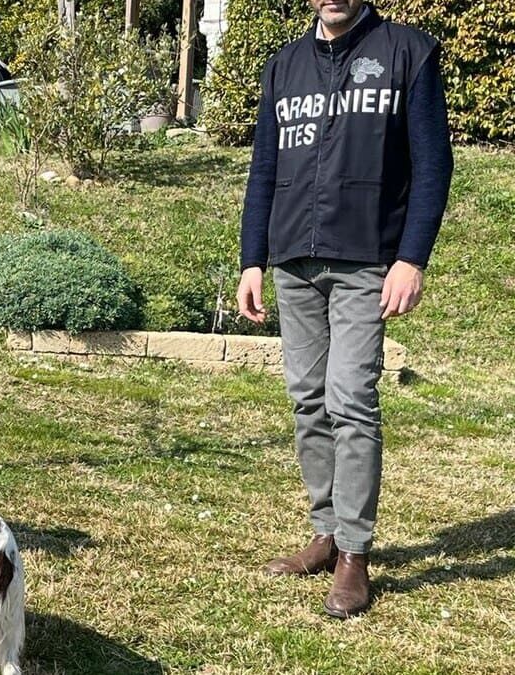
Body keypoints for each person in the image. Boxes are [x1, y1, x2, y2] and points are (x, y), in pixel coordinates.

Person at [236, 1, 452, 618]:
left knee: (350, 398)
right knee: (308, 397)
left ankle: (355, 554)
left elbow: (433, 164)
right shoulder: (284, 67)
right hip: (293, 261)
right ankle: (325, 534)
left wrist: (411, 258)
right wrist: (255, 257)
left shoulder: (408, 52)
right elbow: (264, 168)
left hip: (366, 260)